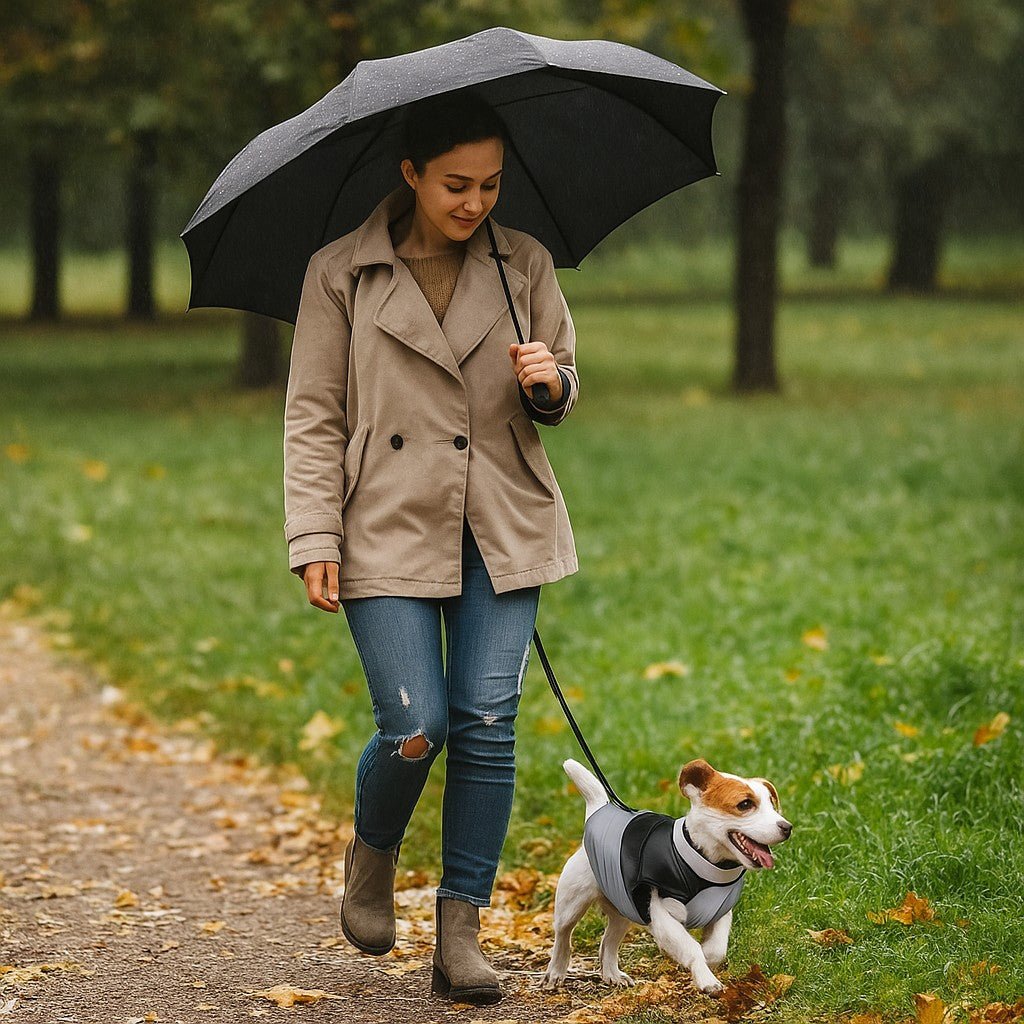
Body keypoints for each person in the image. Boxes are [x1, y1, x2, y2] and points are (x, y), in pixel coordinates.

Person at [282, 89, 580, 1006]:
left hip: (500, 520)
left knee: (486, 722)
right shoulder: (340, 273)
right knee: (416, 728)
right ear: (410, 173)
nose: (475, 202)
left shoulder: (524, 264)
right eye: (456, 184)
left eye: (491, 184)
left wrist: (549, 383)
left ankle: (461, 933)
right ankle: (373, 853)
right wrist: (314, 533)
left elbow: (562, 386)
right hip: (384, 523)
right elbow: (313, 415)